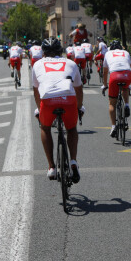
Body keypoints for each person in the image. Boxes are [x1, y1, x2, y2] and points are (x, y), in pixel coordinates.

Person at [32, 37, 85, 182]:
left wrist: (39, 109)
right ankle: (73, 161)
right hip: (68, 100)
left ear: (43, 52)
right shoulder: (71, 63)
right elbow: (79, 89)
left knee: (45, 127)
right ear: (60, 51)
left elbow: (36, 91)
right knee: (72, 128)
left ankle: (51, 167)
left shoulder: (37, 64)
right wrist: (79, 107)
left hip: (48, 101)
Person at [102, 39, 131, 138]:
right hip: (127, 74)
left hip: (115, 76)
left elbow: (105, 72)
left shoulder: (108, 53)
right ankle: (127, 105)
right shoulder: (126, 52)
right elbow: (130, 65)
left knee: (112, 103)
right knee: (125, 87)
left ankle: (113, 126)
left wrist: (104, 85)